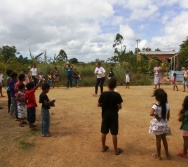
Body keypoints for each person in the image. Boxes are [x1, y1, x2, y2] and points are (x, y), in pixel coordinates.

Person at [98, 78, 123, 155]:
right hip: (114, 116)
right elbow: (120, 106)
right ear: (115, 86)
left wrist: (105, 105)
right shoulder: (117, 95)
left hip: (105, 115)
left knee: (104, 132)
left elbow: (99, 104)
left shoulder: (103, 94)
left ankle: (103, 147)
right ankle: (115, 150)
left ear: (107, 85)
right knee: (114, 133)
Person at [149, 89, 171, 160]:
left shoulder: (155, 105)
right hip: (164, 124)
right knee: (164, 139)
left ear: (157, 97)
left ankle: (159, 155)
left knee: (158, 140)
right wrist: (165, 121)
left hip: (157, 125)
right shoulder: (167, 105)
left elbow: (151, 113)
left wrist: (156, 115)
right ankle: (167, 154)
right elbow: (168, 116)